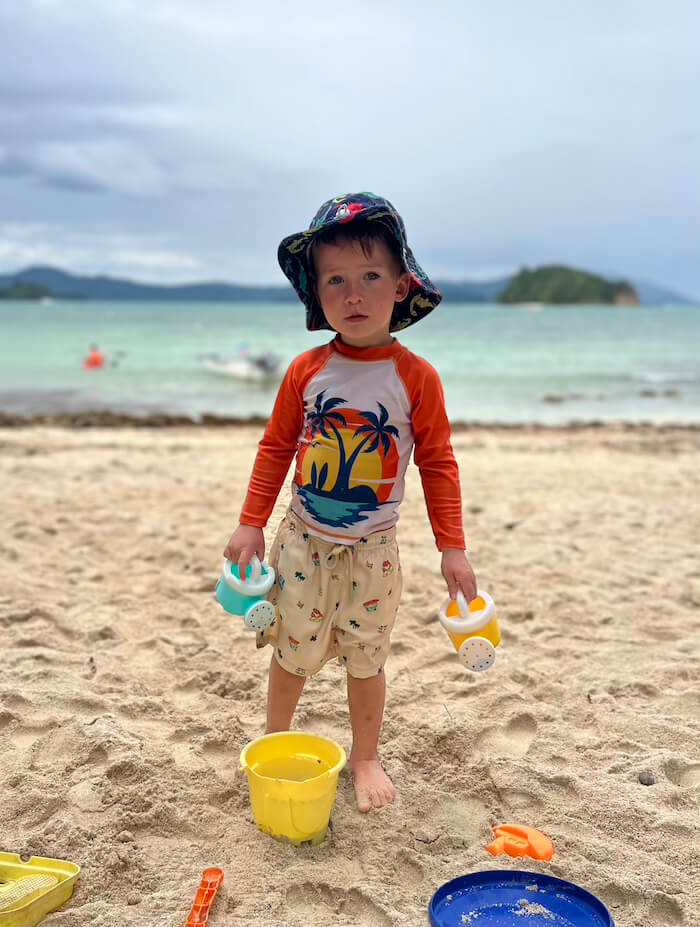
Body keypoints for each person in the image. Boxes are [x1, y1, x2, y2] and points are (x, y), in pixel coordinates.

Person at [223, 192, 477, 813]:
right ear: (317, 293)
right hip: (303, 542)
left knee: (367, 656)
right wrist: (250, 523)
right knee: (292, 649)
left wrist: (453, 548)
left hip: (375, 552)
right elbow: (277, 446)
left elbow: (439, 464)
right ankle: (274, 738)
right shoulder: (306, 371)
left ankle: (365, 756)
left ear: (399, 286)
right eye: (336, 279)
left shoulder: (416, 377)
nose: (354, 294)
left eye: (370, 277)